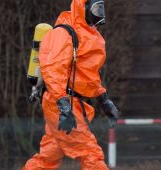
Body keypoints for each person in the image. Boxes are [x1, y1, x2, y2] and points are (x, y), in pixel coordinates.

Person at [23, 0, 119, 169]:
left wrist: (104, 99)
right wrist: (63, 105)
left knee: (47, 158)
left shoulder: (90, 35)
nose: (100, 13)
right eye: (97, 8)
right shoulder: (64, 33)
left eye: (102, 7)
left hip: (69, 104)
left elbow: (87, 75)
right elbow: (53, 70)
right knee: (91, 154)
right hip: (61, 104)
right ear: (84, 8)